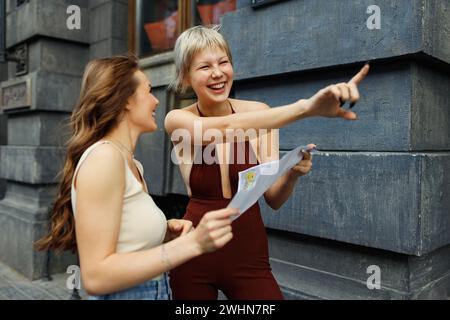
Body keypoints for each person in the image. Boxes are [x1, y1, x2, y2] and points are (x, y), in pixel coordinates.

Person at [164, 25, 369, 299]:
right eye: (204, 67)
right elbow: (220, 128)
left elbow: (273, 198)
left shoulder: (261, 113)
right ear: (186, 77)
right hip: (194, 251)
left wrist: (292, 173)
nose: (217, 73)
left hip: (248, 252)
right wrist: (307, 108)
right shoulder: (177, 120)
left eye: (223, 62)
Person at [35, 54, 238, 300]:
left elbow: (125, 238)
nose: (156, 101)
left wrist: (164, 230)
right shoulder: (104, 158)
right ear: (127, 100)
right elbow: (96, 277)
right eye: (149, 91)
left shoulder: (131, 163)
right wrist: (192, 244)